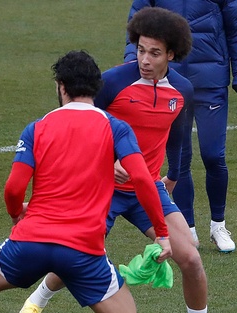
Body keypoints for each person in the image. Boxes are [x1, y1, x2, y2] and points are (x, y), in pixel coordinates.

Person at [20, 7, 208, 313]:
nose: (145, 60)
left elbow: (179, 137)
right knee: (76, 254)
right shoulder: (113, 82)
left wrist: (172, 175)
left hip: (146, 189)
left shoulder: (182, 91)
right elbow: (76, 122)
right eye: (141, 50)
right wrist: (107, 163)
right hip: (100, 188)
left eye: (155, 53)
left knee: (191, 258)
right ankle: (37, 300)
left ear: (171, 55)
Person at [0, 50, 172, 313]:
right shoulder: (116, 127)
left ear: (62, 87)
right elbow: (142, 178)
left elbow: (14, 187)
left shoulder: (37, 127)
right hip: (84, 250)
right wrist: (161, 233)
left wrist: (16, 213)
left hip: (31, 241)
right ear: (96, 87)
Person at [124, 0, 237, 253]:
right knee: (180, 159)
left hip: (211, 80)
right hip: (168, 82)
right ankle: (188, 226)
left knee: (213, 154)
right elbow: (137, 23)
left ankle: (218, 225)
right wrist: (133, 64)